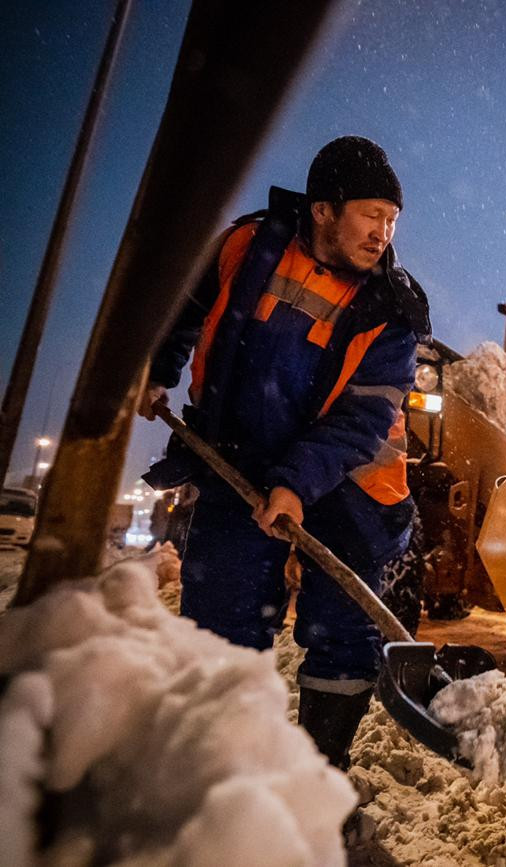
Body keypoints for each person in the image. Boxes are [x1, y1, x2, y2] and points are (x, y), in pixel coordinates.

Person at [139, 136, 430, 769]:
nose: (384, 233)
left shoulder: (393, 311)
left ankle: (320, 777)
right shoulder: (246, 247)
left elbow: (363, 419)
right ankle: (229, 774)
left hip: (350, 484)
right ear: (323, 209)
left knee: (344, 634)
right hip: (237, 460)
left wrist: (297, 480)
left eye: (392, 220)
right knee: (223, 619)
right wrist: (156, 367)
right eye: (371, 214)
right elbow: (182, 309)